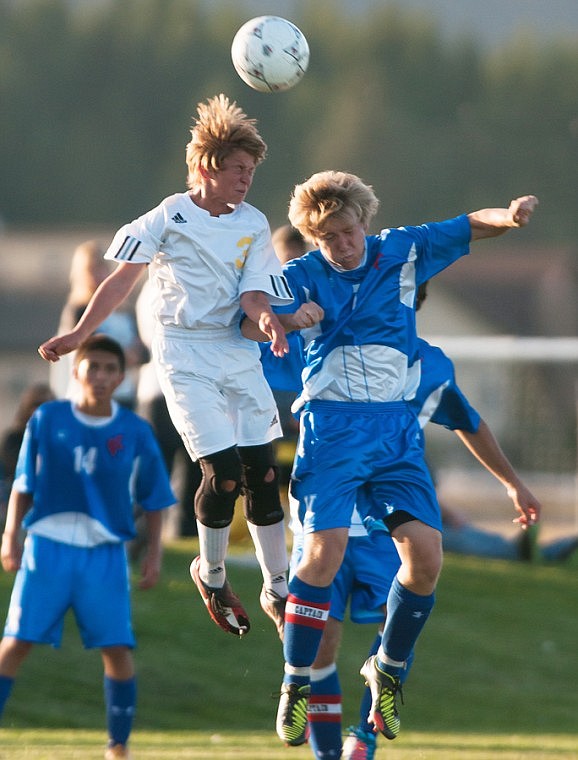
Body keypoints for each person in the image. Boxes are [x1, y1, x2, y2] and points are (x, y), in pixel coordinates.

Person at [242, 170, 539, 746]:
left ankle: (388, 670)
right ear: (312, 236)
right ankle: (296, 682)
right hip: (331, 428)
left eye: (348, 232)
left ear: (365, 222)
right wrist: (279, 322)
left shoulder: (402, 250)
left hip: (395, 433)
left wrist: (508, 216)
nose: (342, 246)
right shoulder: (301, 276)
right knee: (323, 555)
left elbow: (470, 226)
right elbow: (247, 317)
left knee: (427, 556)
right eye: (327, 238)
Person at [37, 94, 316, 639]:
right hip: (182, 352)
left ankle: (277, 589)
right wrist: (80, 333)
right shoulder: (170, 215)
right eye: (239, 169)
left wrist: (269, 323)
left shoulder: (254, 223)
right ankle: (210, 574)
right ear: (209, 167)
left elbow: (256, 295)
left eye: (252, 171)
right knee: (224, 474)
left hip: (235, 352)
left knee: (263, 473)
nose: (246, 180)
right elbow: (120, 279)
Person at [0, 335, 175, 760]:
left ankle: (118, 745)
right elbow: (23, 483)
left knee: (117, 647)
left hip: (105, 554)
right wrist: (11, 536)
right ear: (75, 370)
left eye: (109, 369)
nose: (99, 375)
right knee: (16, 643)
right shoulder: (48, 418)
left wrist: (154, 555)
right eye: (91, 366)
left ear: (121, 377)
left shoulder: (135, 430)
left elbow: (155, 500)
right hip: (47, 548)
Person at [134, 278, 202, 540]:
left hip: (187, 390)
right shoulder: (158, 286)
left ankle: (185, 530)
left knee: (193, 464)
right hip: (160, 391)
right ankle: (141, 530)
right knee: (156, 465)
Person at [50, 239, 148, 409]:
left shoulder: (125, 313)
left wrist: (134, 355)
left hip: (124, 393)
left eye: (101, 269)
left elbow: (144, 352)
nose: (98, 276)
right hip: (88, 395)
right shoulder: (78, 310)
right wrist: (124, 357)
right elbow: (91, 350)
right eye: (92, 270)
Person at [0, 384, 55, 529]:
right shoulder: (13, 438)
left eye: (49, 404)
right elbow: (23, 471)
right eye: (37, 404)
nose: (43, 409)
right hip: (21, 510)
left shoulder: (62, 438)